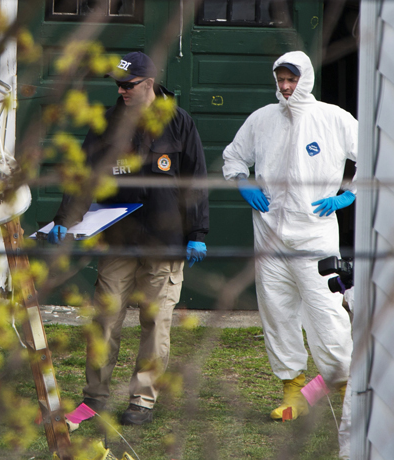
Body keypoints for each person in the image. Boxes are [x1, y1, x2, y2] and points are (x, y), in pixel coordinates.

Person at [48, 51, 209, 427]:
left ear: (149, 84)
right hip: (118, 239)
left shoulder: (179, 123)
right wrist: (64, 218)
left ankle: (142, 400)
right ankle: (94, 399)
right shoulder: (106, 123)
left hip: (165, 241)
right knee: (105, 319)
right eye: (117, 85)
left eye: (128, 85)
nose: (120, 91)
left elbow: (195, 182)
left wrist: (197, 233)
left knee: (155, 322)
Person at [222, 50, 355, 430]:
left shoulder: (333, 119)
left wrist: (349, 194)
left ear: (306, 79)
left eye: (291, 80)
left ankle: (346, 390)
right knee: (277, 314)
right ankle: (293, 390)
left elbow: (377, 157)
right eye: (280, 80)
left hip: (314, 238)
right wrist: (244, 182)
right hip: (269, 237)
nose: (285, 87)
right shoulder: (262, 119)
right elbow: (233, 158)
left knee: (327, 316)